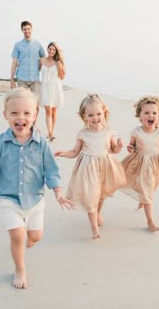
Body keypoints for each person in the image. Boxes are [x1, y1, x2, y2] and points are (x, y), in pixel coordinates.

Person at [0, 87, 73, 289]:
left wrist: (58, 192)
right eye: (14, 113)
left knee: (35, 236)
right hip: (9, 199)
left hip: (35, 200)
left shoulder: (41, 143)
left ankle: (30, 236)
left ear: (35, 115)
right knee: (17, 235)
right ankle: (20, 268)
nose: (21, 117)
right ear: (5, 115)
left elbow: (51, 170)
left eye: (27, 113)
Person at [54, 93, 126, 239]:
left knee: (101, 195)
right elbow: (75, 152)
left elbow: (114, 151)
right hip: (88, 170)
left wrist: (119, 146)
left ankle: (98, 213)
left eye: (98, 114)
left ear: (104, 112)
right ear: (84, 116)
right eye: (91, 115)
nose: (95, 118)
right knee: (92, 197)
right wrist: (64, 153)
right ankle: (94, 229)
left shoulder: (109, 132)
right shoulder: (83, 134)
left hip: (105, 167)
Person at [119, 95, 159, 232]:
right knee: (147, 191)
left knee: (151, 186)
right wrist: (130, 148)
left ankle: (143, 198)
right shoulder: (136, 132)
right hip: (140, 162)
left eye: (154, 113)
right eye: (147, 113)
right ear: (140, 115)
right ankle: (150, 222)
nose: (151, 115)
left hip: (156, 164)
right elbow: (132, 145)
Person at [10, 21, 45, 102]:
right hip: (22, 78)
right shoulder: (17, 45)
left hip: (35, 79)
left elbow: (43, 57)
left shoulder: (37, 44)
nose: (27, 31)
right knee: (22, 102)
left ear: (31, 29)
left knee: (35, 103)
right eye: (25, 29)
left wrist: (39, 68)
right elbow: (14, 62)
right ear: (22, 30)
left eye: (28, 29)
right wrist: (12, 78)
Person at [39, 42, 65, 141]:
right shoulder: (41, 60)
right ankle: (50, 133)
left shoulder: (58, 62)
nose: (51, 51)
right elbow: (36, 70)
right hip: (45, 87)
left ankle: (51, 131)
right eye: (50, 49)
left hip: (55, 87)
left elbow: (62, 77)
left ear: (56, 51)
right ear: (47, 49)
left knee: (54, 111)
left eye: (54, 50)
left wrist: (61, 66)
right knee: (48, 110)